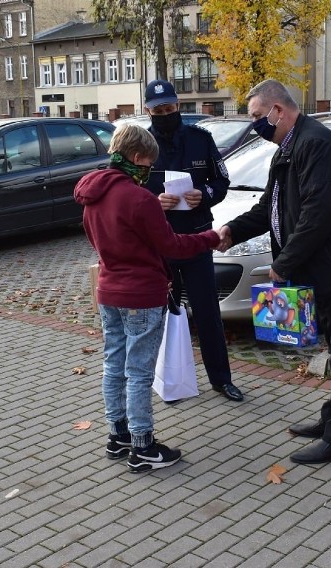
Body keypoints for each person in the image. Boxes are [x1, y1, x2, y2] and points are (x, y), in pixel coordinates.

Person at [216, 79, 331, 465]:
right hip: (326, 269)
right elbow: (269, 209)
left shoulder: (315, 145)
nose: (255, 124)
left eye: (258, 116)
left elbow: (317, 215)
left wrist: (282, 264)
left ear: (279, 110)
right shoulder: (286, 149)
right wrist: (232, 230)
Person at [74, 124, 221, 473]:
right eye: (149, 164)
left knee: (114, 364)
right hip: (141, 293)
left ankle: (118, 434)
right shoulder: (140, 199)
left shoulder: (92, 194)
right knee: (139, 372)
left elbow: (95, 240)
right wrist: (210, 238)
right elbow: (171, 245)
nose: (149, 171)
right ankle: (142, 447)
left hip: (109, 291)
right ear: (138, 157)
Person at [142, 79, 243, 403]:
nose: (165, 114)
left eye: (169, 108)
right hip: (161, 243)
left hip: (197, 238)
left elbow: (222, 179)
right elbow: (129, 188)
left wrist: (206, 195)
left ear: (178, 106)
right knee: (160, 314)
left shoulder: (200, 139)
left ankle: (221, 380)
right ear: (148, 111)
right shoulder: (141, 145)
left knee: (207, 313)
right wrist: (154, 201)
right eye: (158, 110)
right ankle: (167, 379)